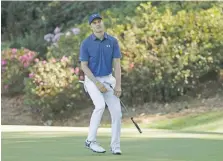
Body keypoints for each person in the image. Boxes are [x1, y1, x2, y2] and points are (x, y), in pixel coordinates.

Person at [79, 13, 122, 155]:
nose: (98, 24)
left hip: (108, 79)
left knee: (117, 113)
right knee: (100, 106)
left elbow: (117, 64)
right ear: (91, 26)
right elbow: (84, 66)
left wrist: (118, 85)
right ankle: (90, 141)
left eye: (99, 21)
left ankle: (115, 145)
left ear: (103, 23)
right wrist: (97, 83)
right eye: (94, 23)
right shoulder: (86, 43)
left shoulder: (113, 41)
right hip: (92, 79)